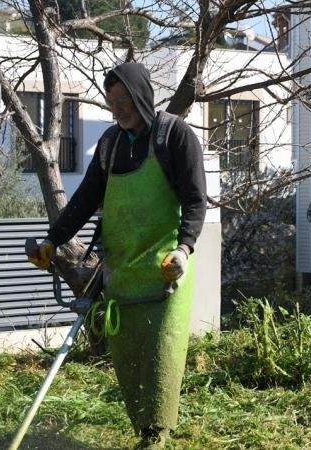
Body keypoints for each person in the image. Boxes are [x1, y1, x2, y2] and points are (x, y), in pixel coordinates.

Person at [27, 62, 207, 449]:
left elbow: (195, 201)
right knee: (128, 361)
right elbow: (85, 199)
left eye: (124, 101)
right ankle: (143, 430)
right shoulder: (110, 144)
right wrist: (53, 240)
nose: (118, 110)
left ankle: (157, 435)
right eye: (112, 103)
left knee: (159, 356)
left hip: (164, 272)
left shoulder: (173, 136)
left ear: (142, 96)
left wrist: (184, 248)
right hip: (122, 270)